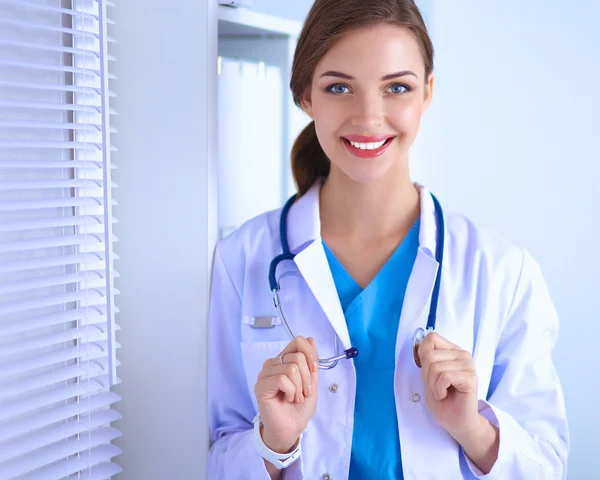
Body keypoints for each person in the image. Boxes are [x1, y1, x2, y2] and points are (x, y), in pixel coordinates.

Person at [207, 0, 569, 478]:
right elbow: (213, 455)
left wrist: (473, 427)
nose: (369, 117)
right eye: (339, 87)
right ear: (306, 97)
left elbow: (548, 465)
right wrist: (275, 442)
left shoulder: (500, 269)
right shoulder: (242, 260)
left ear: (427, 93)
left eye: (397, 87)